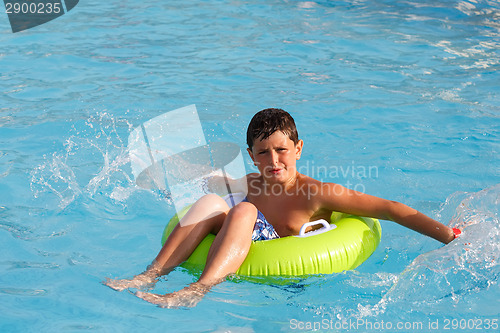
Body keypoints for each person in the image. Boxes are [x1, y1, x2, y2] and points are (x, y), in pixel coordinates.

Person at [104, 108, 461, 308]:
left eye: (281, 150)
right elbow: (208, 187)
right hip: (244, 243)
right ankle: (149, 275)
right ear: (252, 156)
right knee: (213, 202)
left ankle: (197, 290)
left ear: (298, 149)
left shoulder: (317, 194)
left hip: (289, 282)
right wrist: (165, 179)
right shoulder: (251, 181)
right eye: (263, 152)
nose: (273, 160)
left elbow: (392, 208)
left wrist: (449, 236)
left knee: (243, 212)